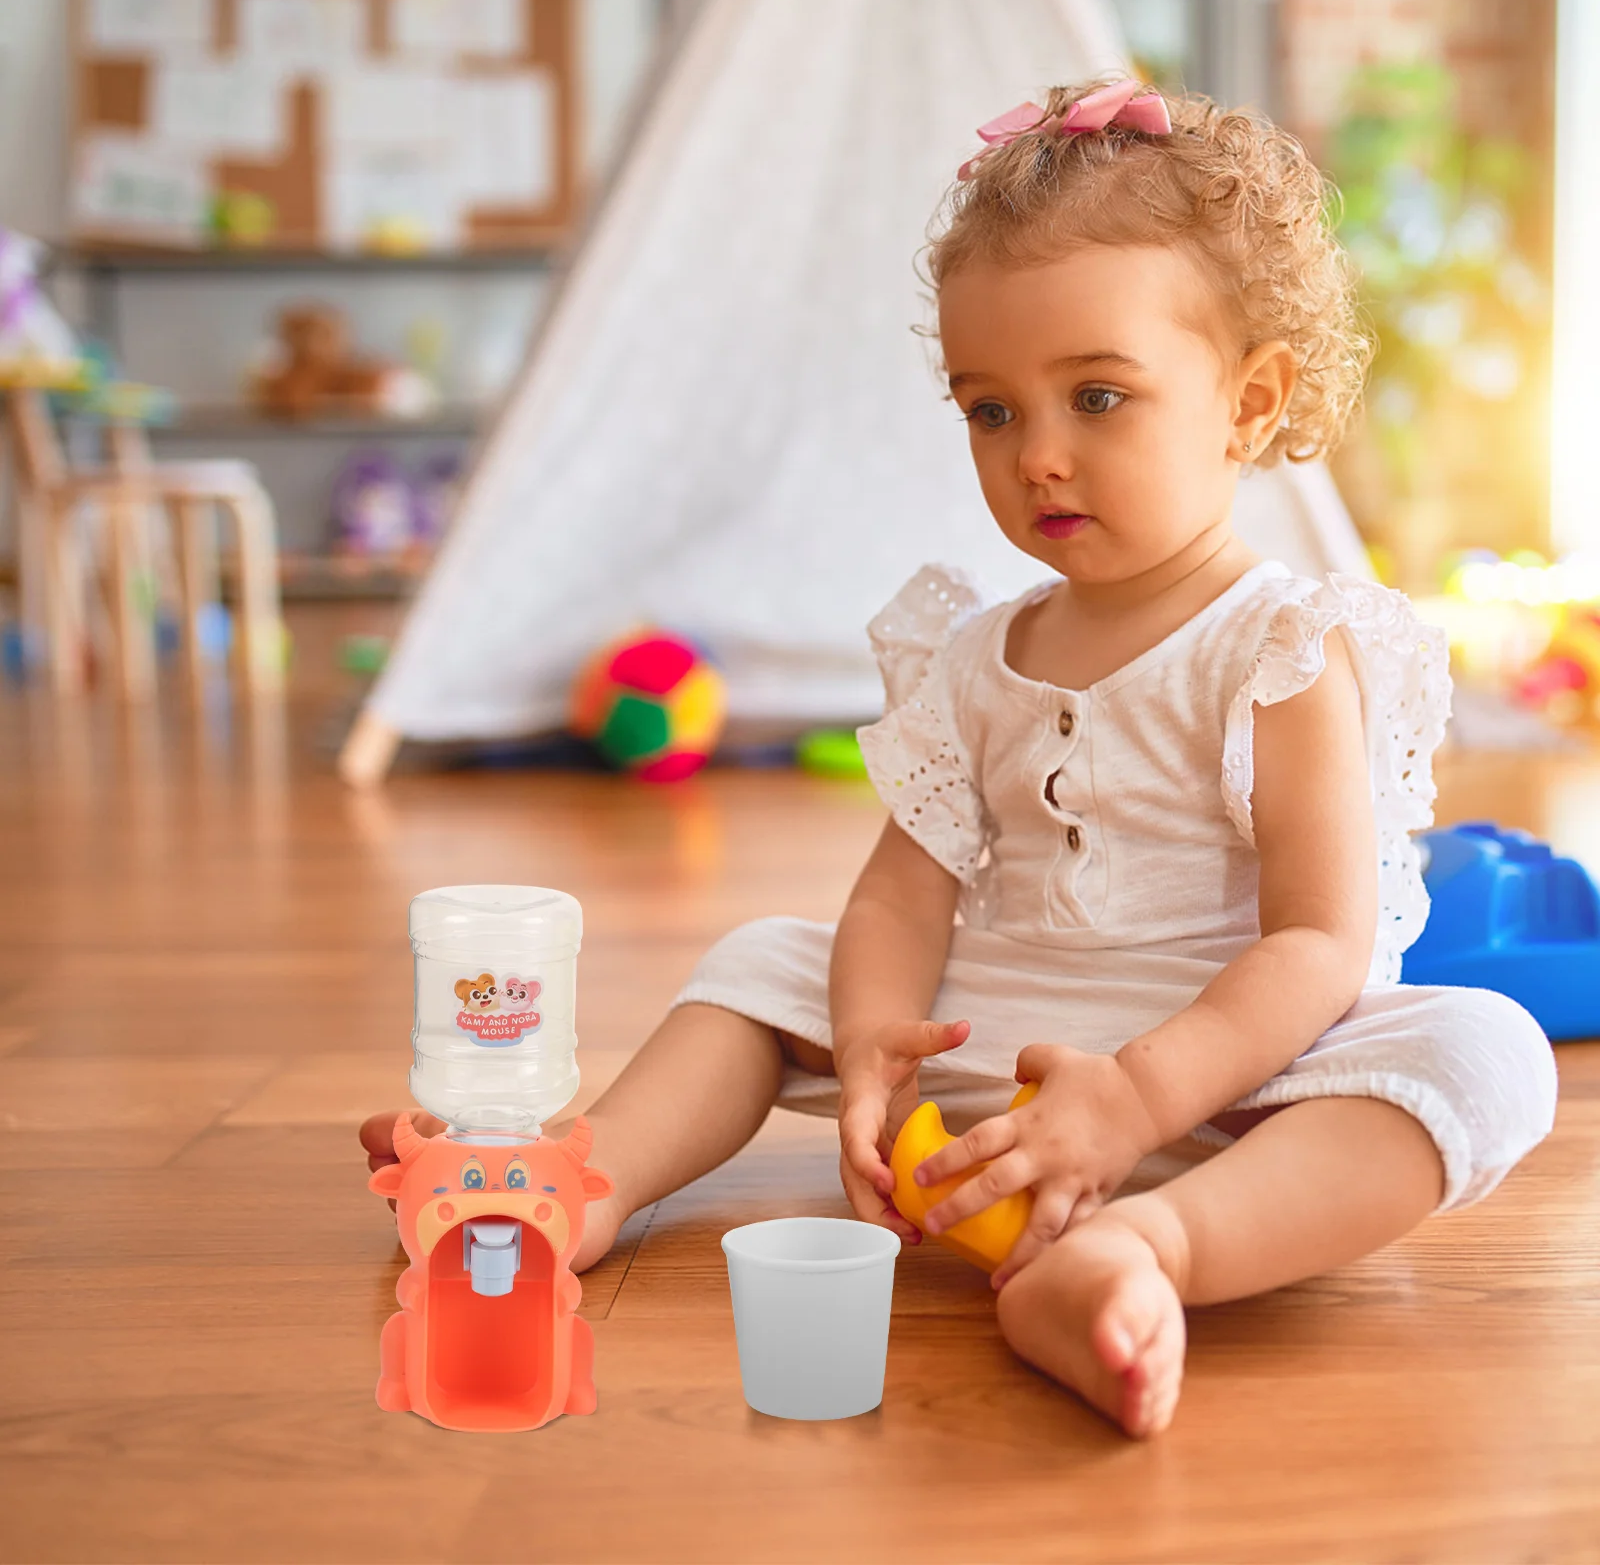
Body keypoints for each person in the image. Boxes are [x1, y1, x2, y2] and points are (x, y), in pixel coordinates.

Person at [363, 79, 1557, 1439]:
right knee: (762, 960)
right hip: (992, 1058)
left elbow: (1321, 945)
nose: (1037, 456)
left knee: (1484, 1047)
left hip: (1231, 1086)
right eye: (990, 411)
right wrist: (875, 1034)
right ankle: (577, 1184)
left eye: (1097, 398)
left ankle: (1149, 1250)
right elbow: (900, 892)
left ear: (1249, 400)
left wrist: (1143, 1094)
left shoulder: (1284, 647)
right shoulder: (977, 652)